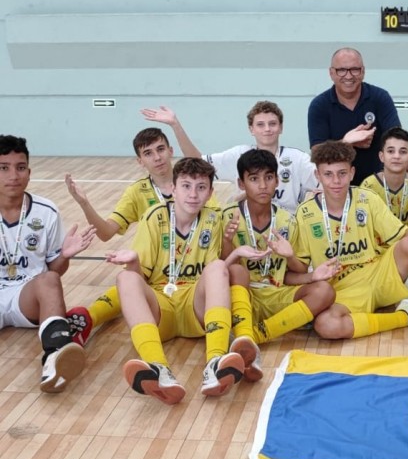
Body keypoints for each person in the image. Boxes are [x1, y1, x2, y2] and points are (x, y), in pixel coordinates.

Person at [294, 140, 408, 342]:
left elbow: (407, 242)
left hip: (378, 274)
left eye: (342, 173)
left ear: (352, 173)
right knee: (326, 325)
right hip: (342, 289)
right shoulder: (305, 213)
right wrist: (309, 273)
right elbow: (298, 271)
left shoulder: (367, 199)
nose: (336, 181)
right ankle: (407, 317)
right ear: (317, 176)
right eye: (328, 174)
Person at [106, 158, 250, 404]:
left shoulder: (213, 219)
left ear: (210, 193)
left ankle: (215, 362)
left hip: (195, 308)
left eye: (201, 187)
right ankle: (158, 367)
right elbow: (141, 281)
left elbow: (215, 276)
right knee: (125, 277)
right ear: (173, 188)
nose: (193, 194)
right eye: (186, 186)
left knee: (218, 266)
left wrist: (233, 249)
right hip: (161, 309)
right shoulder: (154, 217)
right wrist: (134, 263)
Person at [63, 128, 222, 346]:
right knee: (129, 282)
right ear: (140, 161)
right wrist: (85, 204)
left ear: (170, 151)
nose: (157, 157)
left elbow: (214, 225)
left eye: (160, 149)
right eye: (148, 153)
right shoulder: (137, 192)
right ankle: (87, 319)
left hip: (192, 271)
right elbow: (106, 233)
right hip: (154, 270)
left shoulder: (194, 184)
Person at [0, 135, 95, 392]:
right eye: (4, 168)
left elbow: (55, 271)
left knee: (49, 279)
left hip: (27, 296)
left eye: (20, 167)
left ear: (29, 173)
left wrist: (65, 255)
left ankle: (54, 358)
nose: (13, 175)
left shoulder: (46, 211)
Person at [221, 149, 336, 346]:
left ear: (277, 181)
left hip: (276, 292)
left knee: (325, 291)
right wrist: (227, 242)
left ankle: (255, 336)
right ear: (241, 183)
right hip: (241, 296)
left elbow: (295, 272)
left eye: (268, 178)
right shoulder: (226, 217)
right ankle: (246, 330)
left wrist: (290, 256)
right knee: (237, 271)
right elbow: (220, 270)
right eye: (254, 179)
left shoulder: (288, 220)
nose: (263, 186)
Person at [141, 100, 317, 214]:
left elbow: (325, 183)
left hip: (288, 230)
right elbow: (197, 161)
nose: (267, 129)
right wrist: (175, 125)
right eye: (260, 124)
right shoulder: (239, 155)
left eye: (272, 124)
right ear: (251, 129)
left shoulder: (298, 159)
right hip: (247, 230)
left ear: (281, 127)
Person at [307, 47, 401, 185]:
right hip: (337, 185)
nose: (348, 76)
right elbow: (317, 154)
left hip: (379, 183)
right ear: (331, 73)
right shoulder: (319, 105)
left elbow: (397, 139)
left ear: (363, 71)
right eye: (341, 70)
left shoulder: (380, 98)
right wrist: (347, 142)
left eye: (354, 69)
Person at [360, 127, 408, 225]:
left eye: (403, 152)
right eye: (390, 151)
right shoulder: (368, 187)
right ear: (381, 156)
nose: (397, 156)